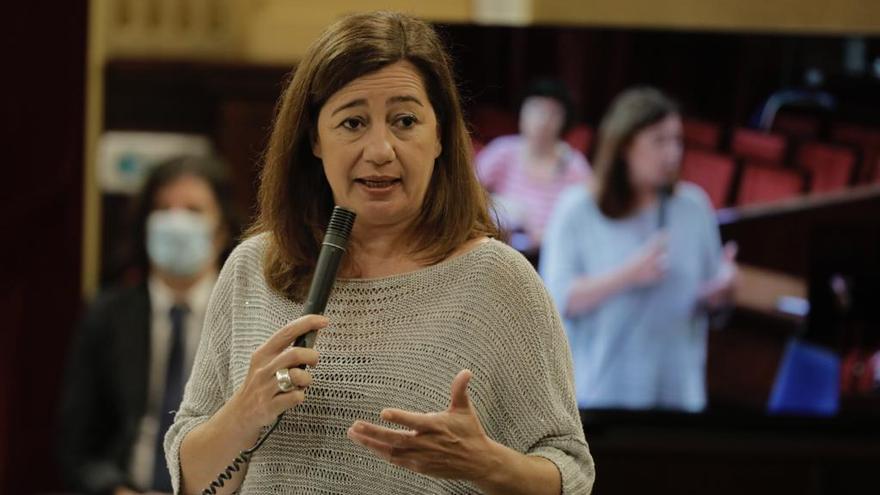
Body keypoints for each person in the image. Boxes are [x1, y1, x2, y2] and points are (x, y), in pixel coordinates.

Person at [165, 11, 594, 495]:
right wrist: (244, 413)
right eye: (352, 122)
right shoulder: (253, 268)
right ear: (315, 140)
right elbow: (195, 483)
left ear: (439, 136)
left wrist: (487, 464)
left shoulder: (497, 280)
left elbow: (572, 474)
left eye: (405, 121)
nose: (381, 149)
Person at [540, 87, 737, 412]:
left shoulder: (694, 206)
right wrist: (628, 275)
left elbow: (706, 300)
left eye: (677, 140)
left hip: (678, 395)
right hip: (602, 396)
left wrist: (721, 294)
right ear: (624, 146)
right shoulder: (577, 210)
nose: (672, 153)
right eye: (659, 141)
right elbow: (556, 303)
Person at [58, 156, 239, 494]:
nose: (176, 221)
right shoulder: (108, 315)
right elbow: (77, 448)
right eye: (163, 209)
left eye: (193, 210)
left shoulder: (247, 314)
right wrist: (116, 490)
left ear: (221, 229)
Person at [475, 79, 591, 253]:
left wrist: (548, 236)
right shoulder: (503, 151)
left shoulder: (574, 165)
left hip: (551, 252)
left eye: (553, 113)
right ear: (521, 113)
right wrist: (496, 211)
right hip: (499, 247)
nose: (543, 121)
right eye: (536, 110)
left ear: (565, 120)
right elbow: (467, 191)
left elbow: (588, 217)